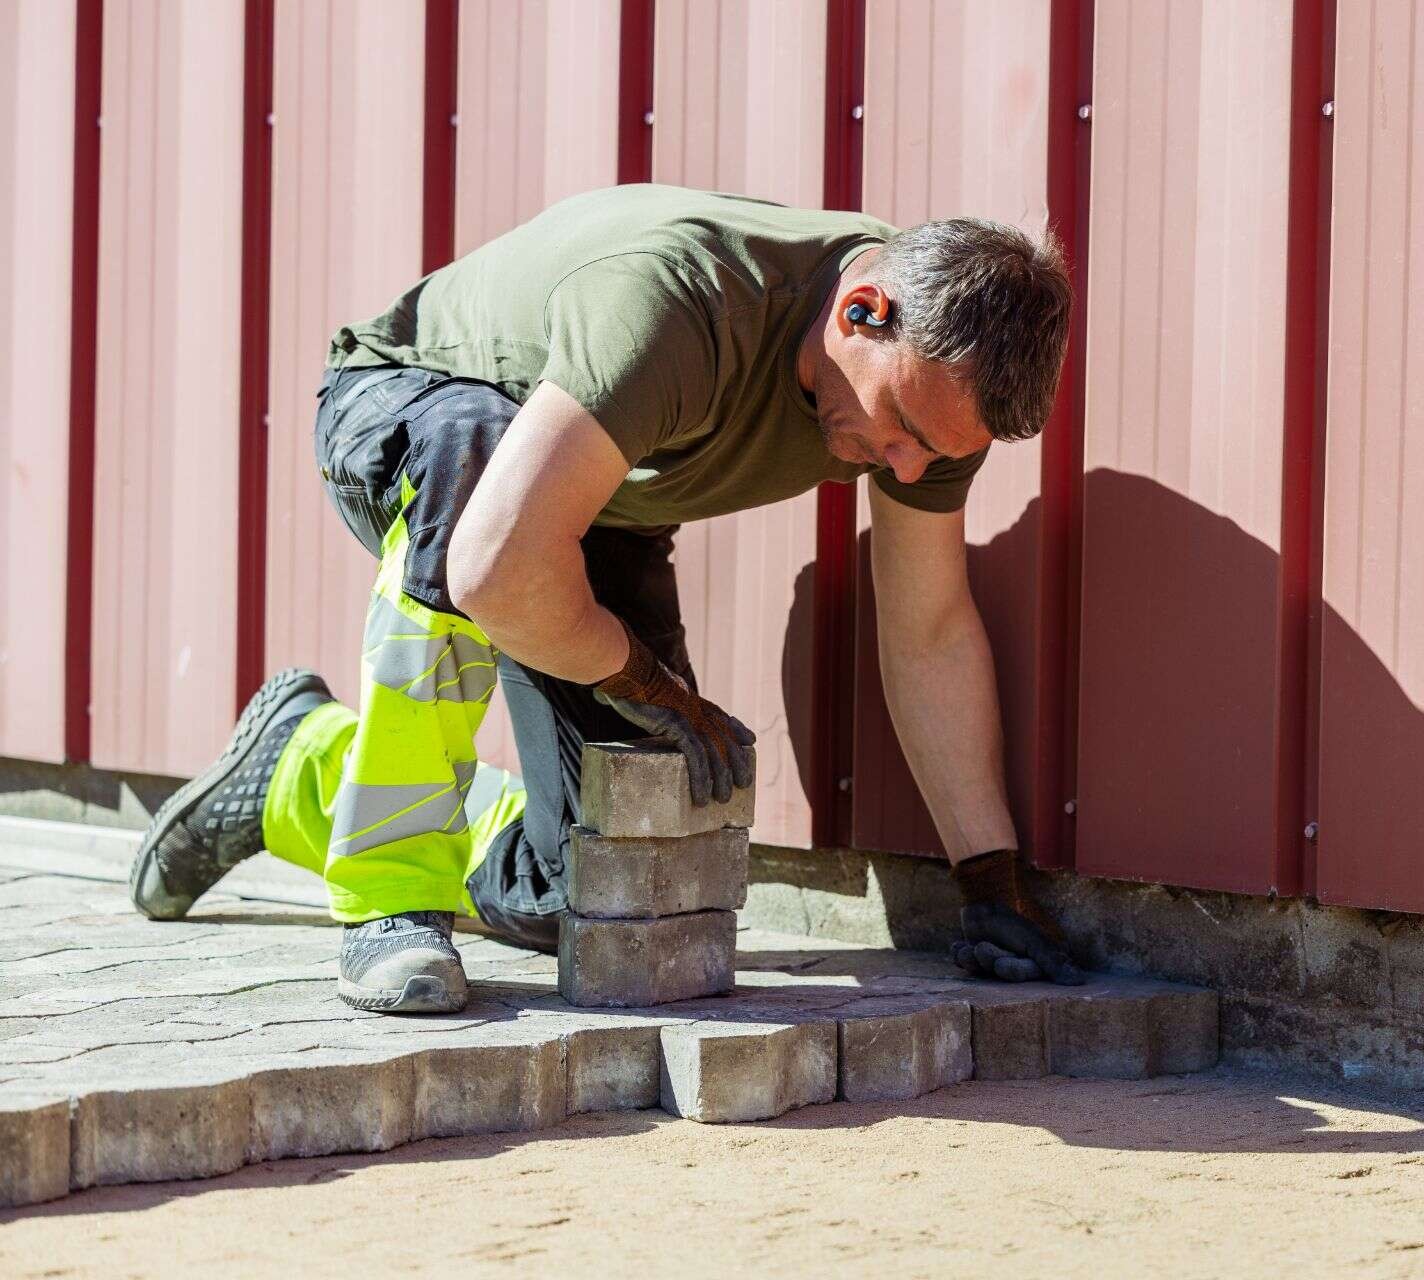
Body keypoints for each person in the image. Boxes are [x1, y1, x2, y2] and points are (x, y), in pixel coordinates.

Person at [128, 184, 1084, 1013]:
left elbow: (928, 628)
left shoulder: (926, 391)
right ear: (862, 311)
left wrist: (989, 879)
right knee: (472, 449)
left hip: (586, 505)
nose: (907, 467)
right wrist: (645, 678)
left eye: (940, 455)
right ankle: (390, 899)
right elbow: (497, 566)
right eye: (903, 429)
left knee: (607, 889)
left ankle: (298, 767)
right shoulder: (677, 302)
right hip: (412, 409)